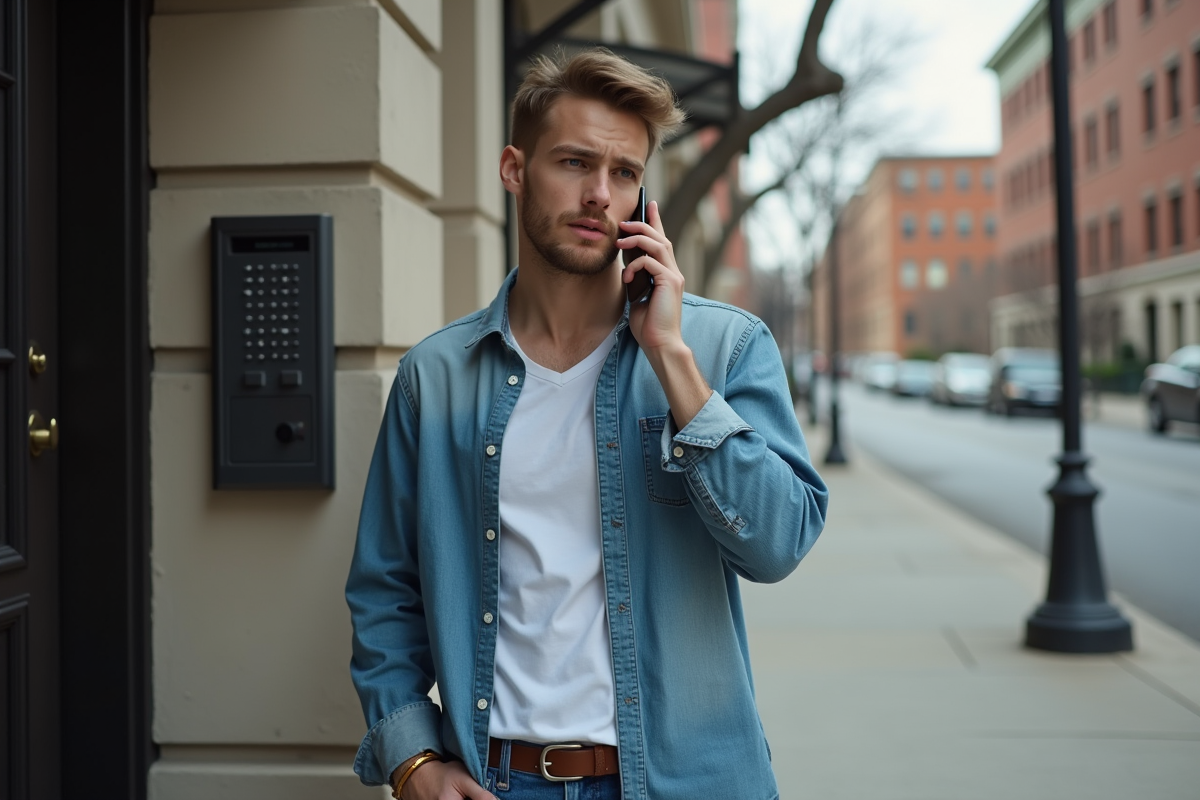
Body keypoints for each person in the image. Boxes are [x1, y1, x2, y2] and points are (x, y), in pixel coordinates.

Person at [346, 47, 829, 800]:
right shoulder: (435, 379)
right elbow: (385, 590)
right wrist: (413, 762)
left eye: (625, 173)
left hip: (686, 781)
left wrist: (670, 359)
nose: (600, 194)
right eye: (574, 163)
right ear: (514, 169)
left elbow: (778, 545)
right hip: (497, 781)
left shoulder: (721, 347)